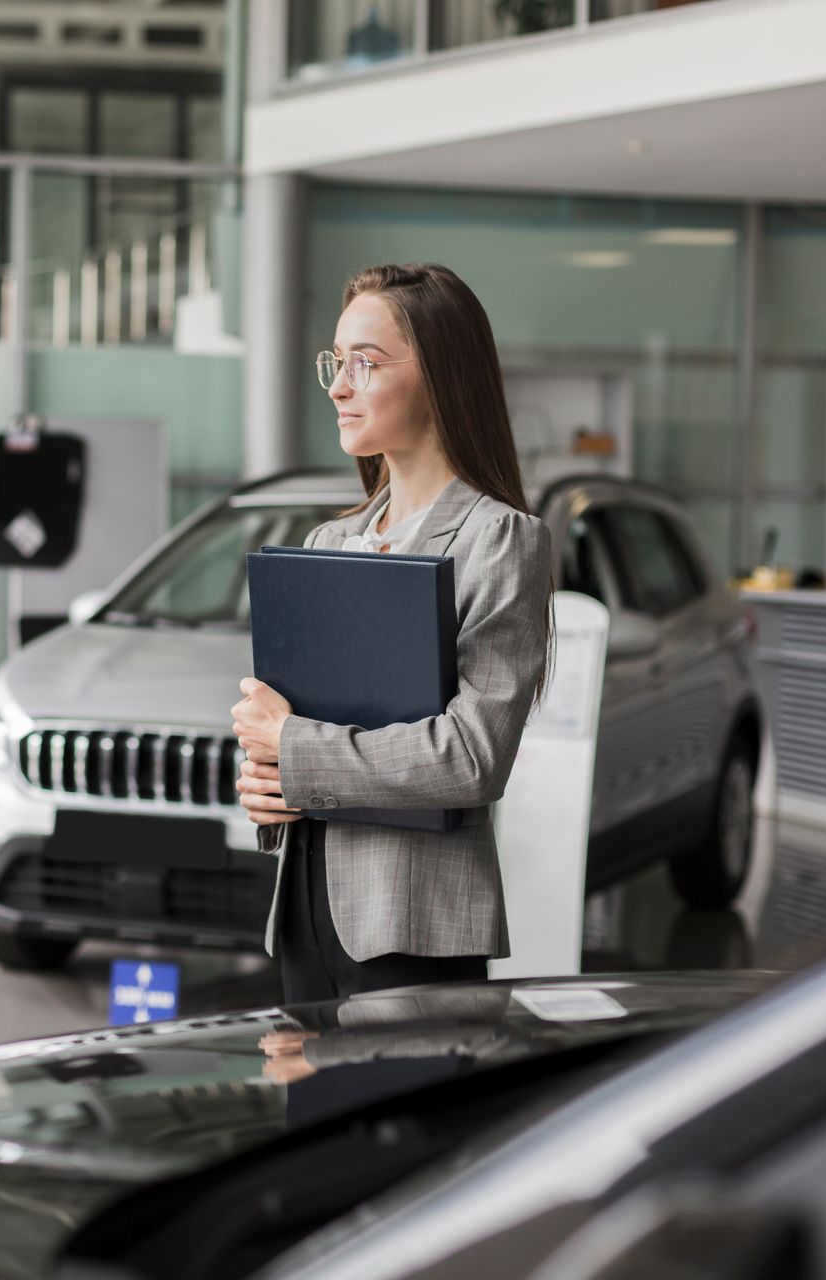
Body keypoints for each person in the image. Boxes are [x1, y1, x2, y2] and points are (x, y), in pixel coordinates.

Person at [232, 262, 553, 1004]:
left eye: (365, 365)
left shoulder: (498, 540)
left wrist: (293, 750)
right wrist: (261, 777)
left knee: (404, 1122)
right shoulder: (325, 544)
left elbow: (472, 757)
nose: (340, 387)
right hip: (307, 908)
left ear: (440, 376)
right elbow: (285, 731)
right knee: (314, 1120)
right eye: (335, 364)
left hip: (415, 925)